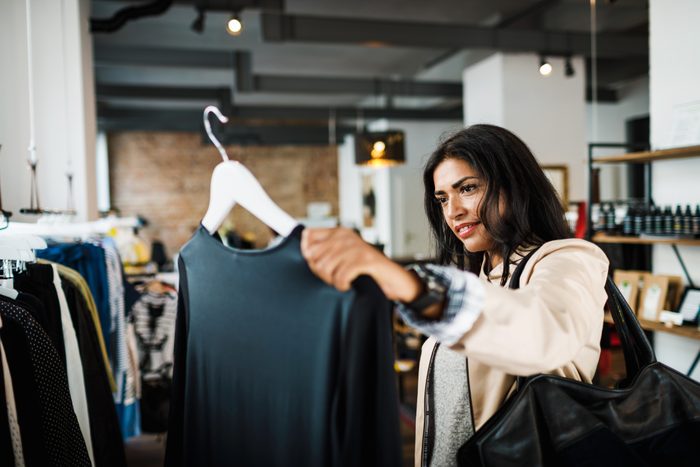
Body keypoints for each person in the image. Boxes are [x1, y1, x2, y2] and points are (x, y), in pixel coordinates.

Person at [301, 124, 609, 466]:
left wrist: (413, 286)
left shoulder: (570, 259)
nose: (452, 211)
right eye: (443, 198)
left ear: (515, 185)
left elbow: (544, 332)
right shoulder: (481, 278)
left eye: (468, 188)